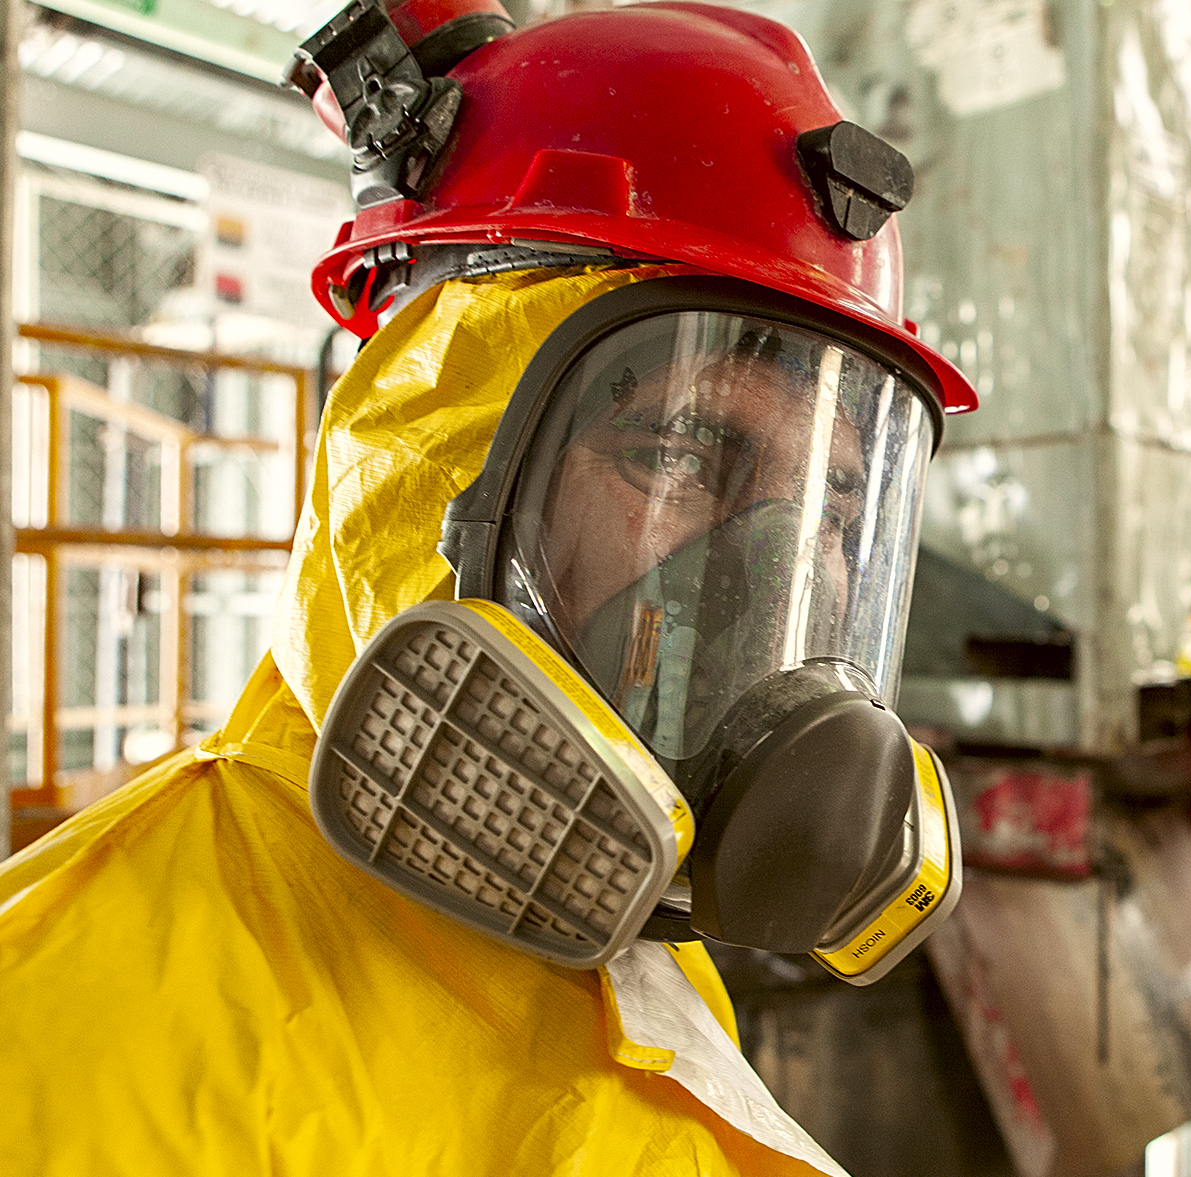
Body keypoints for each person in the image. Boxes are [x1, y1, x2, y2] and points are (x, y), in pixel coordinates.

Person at [0, 2, 975, 1173]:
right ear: (434, 468)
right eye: (679, 453)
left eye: (830, 506)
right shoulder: (84, 1018)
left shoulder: (631, 961)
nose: (781, 572)